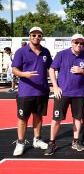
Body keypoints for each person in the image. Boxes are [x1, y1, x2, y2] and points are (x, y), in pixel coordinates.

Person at [44, 34, 84, 155]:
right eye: (77, 42)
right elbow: (51, 69)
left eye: (81, 43)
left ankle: (76, 141)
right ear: (72, 42)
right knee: (56, 119)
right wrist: (55, 87)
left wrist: (82, 71)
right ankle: (52, 142)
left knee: (77, 118)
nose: (79, 45)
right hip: (63, 93)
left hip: (79, 93)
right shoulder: (62, 54)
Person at [11, 26, 52, 156]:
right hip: (26, 91)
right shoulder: (21, 51)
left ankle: (37, 140)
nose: (36, 37)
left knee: (38, 116)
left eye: (39, 35)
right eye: (34, 35)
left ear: (41, 37)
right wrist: (24, 74)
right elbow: (14, 69)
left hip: (42, 91)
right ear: (29, 36)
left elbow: (51, 68)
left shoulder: (45, 51)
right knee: (23, 118)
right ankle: (20, 142)